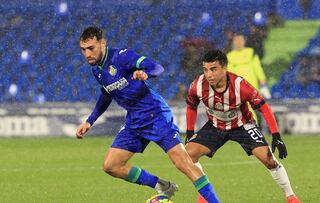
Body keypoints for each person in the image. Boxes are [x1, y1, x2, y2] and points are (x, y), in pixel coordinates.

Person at [76, 26, 220, 203]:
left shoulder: (121, 56)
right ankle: (163, 186)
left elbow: (157, 67)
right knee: (111, 166)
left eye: (91, 48)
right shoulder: (97, 70)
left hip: (155, 115)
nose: (87, 54)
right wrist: (90, 121)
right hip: (134, 120)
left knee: (183, 163)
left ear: (103, 43)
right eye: (83, 50)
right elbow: (106, 94)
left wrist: (146, 73)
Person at [185, 50, 301, 203]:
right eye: (205, 70)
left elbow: (264, 108)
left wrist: (276, 135)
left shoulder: (240, 85)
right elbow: (191, 106)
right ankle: (205, 194)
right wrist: (189, 132)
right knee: (188, 155)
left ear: (224, 68)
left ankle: (291, 196)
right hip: (215, 126)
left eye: (213, 69)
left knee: (268, 160)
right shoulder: (198, 85)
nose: (209, 75)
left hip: (243, 125)